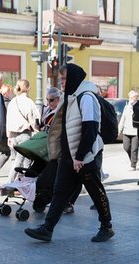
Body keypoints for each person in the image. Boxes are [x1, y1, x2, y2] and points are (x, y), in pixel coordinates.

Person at [25, 63, 113, 244]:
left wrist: (80, 157)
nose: (62, 82)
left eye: (64, 78)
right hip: (68, 155)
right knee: (59, 192)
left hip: (85, 156)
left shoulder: (86, 97)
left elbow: (90, 129)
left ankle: (107, 227)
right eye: (61, 79)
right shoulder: (70, 97)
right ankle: (47, 229)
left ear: (74, 78)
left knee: (95, 191)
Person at [5, 79, 41, 182]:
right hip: (24, 134)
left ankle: (23, 183)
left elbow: (8, 120)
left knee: (20, 161)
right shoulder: (28, 102)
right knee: (20, 161)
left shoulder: (12, 101)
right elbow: (34, 120)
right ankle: (9, 183)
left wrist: (9, 136)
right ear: (28, 88)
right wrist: (37, 130)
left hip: (13, 135)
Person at [119, 89, 139, 170]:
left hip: (136, 132)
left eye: (134, 97)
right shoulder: (126, 107)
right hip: (126, 131)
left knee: (134, 149)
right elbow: (123, 118)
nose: (132, 99)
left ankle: (133, 165)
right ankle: (134, 159)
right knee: (126, 147)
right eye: (130, 97)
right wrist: (119, 130)